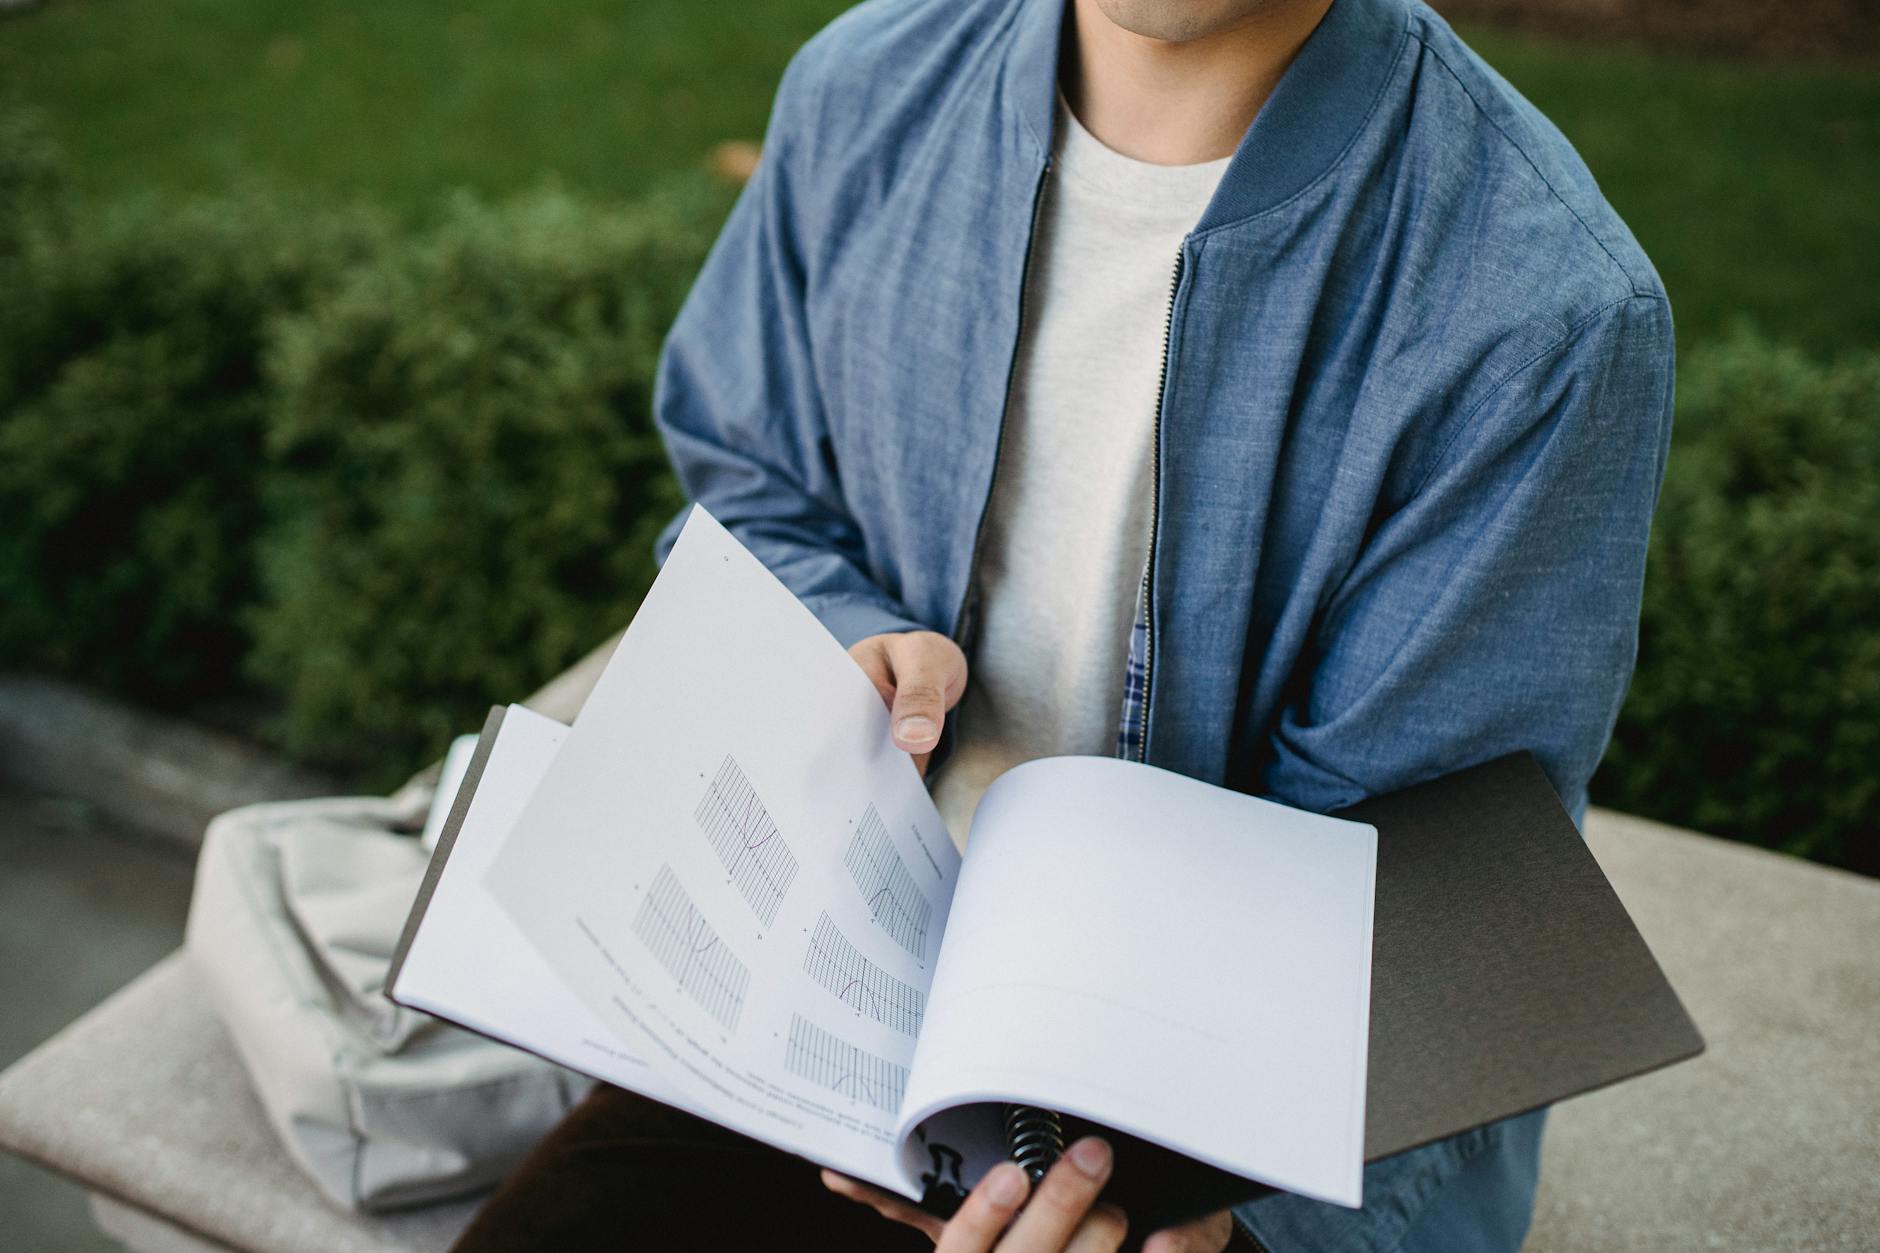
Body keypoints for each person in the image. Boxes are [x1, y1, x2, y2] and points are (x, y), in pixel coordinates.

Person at [448, 0, 1674, 1248]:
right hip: (850, 1005)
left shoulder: (1543, 310)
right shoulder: (866, 86)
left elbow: (1424, 884)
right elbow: (746, 469)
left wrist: (1184, 1201)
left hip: (1229, 1133)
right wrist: (844, 627)